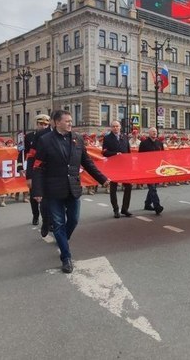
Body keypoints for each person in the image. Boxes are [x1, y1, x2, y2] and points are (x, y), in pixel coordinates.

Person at [32, 110, 110, 274]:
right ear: (56, 122)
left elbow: (87, 162)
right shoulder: (45, 140)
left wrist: (102, 178)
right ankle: (66, 258)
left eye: (71, 121)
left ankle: (62, 241)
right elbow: (38, 167)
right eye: (67, 121)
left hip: (73, 187)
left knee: (74, 219)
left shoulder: (77, 139)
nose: (70, 124)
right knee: (59, 223)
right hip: (53, 190)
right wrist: (37, 191)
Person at [21, 114, 52, 225]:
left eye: (46, 124)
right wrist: (21, 167)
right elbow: (23, 152)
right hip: (33, 169)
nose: (43, 126)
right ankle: (35, 215)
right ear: (37, 124)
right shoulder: (28, 137)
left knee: (46, 198)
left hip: (46, 169)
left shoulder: (51, 135)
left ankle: (46, 220)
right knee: (34, 194)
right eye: (41, 124)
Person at [102, 120, 133, 218]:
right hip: (113, 167)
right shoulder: (107, 138)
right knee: (113, 188)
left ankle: (125, 209)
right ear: (111, 128)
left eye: (117, 126)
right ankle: (116, 209)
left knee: (128, 186)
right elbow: (104, 152)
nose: (115, 128)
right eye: (113, 126)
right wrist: (115, 154)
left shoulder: (124, 137)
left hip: (124, 167)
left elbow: (128, 152)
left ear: (120, 127)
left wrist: (130, 165)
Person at [138, 127, 164, 215]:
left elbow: (163, 156)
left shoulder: (160, 143)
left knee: (153, 187)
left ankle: (147, 204)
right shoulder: (144, 143)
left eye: (155, 132)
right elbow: (140, 157)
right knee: (152, 188)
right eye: (153, 132)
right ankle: (157, 206)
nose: (154, 133)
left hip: (157, 169)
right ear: (149, 133)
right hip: (147, 169)